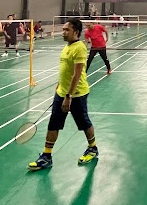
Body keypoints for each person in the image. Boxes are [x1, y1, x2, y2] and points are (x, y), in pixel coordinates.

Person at [28, 18, 98, 171]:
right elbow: (65, 70)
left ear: (76, 32)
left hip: (76, 94)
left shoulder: (79, 48)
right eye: (64, 29)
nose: (63, 32)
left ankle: (92, 148)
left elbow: (77, 74)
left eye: (67, 30)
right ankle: (46, 156)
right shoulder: (67, 47)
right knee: (54, 124)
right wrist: (60, 87)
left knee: (84, 122)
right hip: (62, 93)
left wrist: (68, 96)